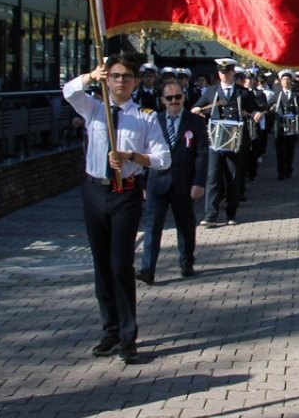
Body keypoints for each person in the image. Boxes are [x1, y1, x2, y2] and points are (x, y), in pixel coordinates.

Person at [62, 53, 170, 365]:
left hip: (126, 194)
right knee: (101, 265)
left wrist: (132, 157)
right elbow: (68, 92)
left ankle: (127, 334)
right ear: (106, 79)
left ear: (136, 82)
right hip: (95, 191)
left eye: (126, 76)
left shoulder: (145, 116)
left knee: (120, 264)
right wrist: (88, 77)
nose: (120, 81)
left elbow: (163, 158)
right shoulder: (94, 109)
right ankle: (109, 330)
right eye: (114, 76)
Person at [137, 79, 208, 285]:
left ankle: (186, 261)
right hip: (156, 183)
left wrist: (199, 182)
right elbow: (144, 153)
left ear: (184, 97)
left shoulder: (195, 122)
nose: (174, 101)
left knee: (185, 225)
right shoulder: (153, 121)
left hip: (184, 183)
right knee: (152, 226)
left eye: (178, 97)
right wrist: (142, 184)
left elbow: (202, 155)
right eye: (170, 98)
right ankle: (147, 268)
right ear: (162, 101)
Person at [191, 58, 261, 227]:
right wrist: (197, 110)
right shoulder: (211, 91)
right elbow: (197, 106)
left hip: (235, 141)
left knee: (233, 177)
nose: (225, 75)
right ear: (218, 73)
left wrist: (258, 114)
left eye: (228, 71)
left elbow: (255, 109)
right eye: (222, 72)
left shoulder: (243, 93)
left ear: (233, 73)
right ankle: (210, 215)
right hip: (215, 140)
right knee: (213, 177)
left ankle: (231, 213)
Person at [273, 70, 299, 180]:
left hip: (292, 125)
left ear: (291, 81)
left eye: (288, 79)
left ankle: (289, 169)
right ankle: (280, 171)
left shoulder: (296, 95)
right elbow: (268, 104)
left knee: (290, 149)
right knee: (280, 150)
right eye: (284, 79)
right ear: (281, 81)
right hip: (280, 126)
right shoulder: (277, 94)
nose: (286, 82)